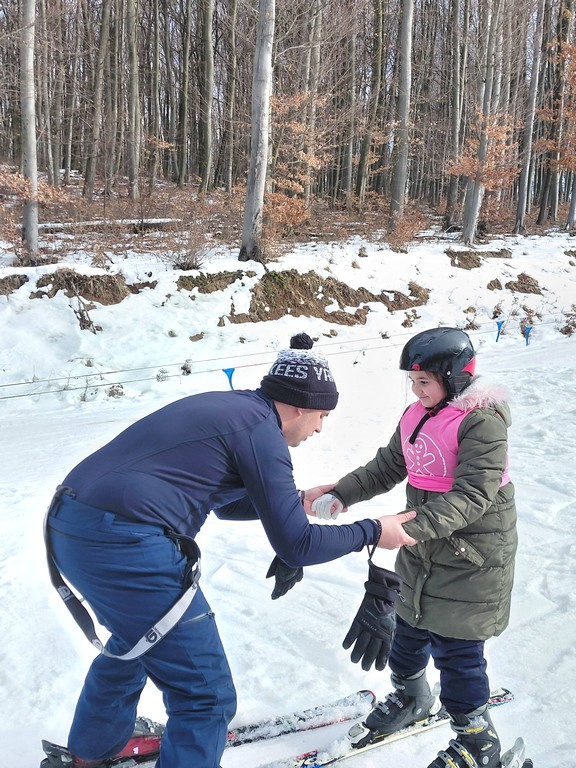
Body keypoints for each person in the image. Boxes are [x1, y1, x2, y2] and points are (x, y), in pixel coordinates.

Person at [42, 332, 417, 768]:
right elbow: (297, 545)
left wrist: (295, 501)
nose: (320, 428)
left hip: (71, 525)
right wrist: (373, 531)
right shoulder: (261, 432)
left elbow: (224, 503)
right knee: (206, 695)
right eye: (321, 416)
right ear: (300, 406)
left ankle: (92, 751)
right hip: (126, 543)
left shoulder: (235, 409)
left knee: (139, 638)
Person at [308, 327, 517, 768]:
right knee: (407, 626)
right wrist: (342, 493)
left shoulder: (482, 422)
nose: (416, 390)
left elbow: (473, 495)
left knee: (457, 649)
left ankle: (477, 742)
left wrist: (410, 529)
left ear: (456, 378)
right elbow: (387, 466)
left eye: (424, 381)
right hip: (423, 546)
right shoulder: (416, 415)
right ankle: (411, 697)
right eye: (412, 381)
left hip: (473, 554)